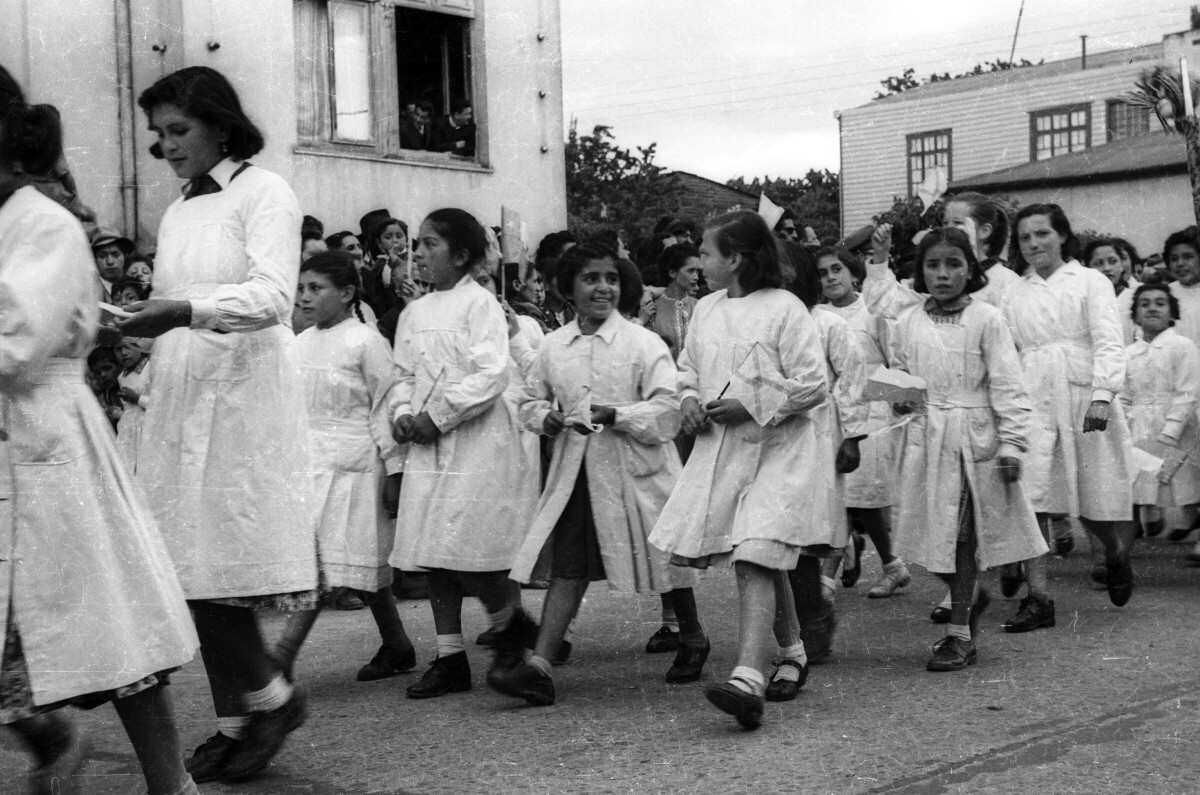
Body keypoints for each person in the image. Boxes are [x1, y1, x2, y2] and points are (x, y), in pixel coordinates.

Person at [0, 63, 200, 795]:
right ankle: (51, 737)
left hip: (45, 440)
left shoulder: (42, 223)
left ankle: (169, 782)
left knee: (111, 626)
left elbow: (18, 343)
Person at [119, 66, 316, 783]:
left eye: (180, 130)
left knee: (216, 569)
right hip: (182, 394)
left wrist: (179, 312)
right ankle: (245, 716)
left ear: (220, 125)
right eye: (159, 134)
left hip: (242, 400)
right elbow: (176, 306)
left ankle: (266, 702)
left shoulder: (265, 192)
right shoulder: (175, 212)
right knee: (183, 568)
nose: (167, 146)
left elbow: (271, 297)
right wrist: (139, 342)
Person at [490, 244, 708, 705]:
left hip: (637, 473)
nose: (602, 287)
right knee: (569, 566)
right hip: (579, 474)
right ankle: (540, 666)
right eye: (590, 278)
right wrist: (544, 418)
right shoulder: (553, 346)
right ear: (566, 287)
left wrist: (616, 415)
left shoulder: (641, 343)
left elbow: (667, 410)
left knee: (664, 558)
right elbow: (528, 400)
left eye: (610, 278)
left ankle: (692, 636)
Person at [649, 210, 828, 729]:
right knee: (760, 555)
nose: (699, 262)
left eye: (706, 252)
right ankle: (792, 652)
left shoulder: (785, 308)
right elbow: (689, 369)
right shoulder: (704, 309)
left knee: (755, 555)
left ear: (737, 258)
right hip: (724, 450)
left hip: (780, 450)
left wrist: (750, 404)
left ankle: (747, 678)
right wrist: (686, 399)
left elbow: (814, 384)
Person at [389, 208, 538, 699]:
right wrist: (404, 413)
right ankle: (450, 655)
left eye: (431, 244)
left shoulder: (480, 305)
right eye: (418, 244)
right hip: (430, 445)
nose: (419, 254)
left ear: (462, 255)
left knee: (469, 549)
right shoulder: (413, 312)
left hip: (475, 441)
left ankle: (510, 629)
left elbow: (492, 374)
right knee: (433, 551)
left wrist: (441, 414)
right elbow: (402, 375)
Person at [888, 228, 1047, 670]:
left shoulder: (987, 319)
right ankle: (970, 593)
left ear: (971, 269)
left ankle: (958, 634)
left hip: (973, 440)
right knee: (924, 535)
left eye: (954, 264)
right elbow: (902, 374)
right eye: (933, 265)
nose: (943, 274)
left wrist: (1013, 442)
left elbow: (1008, 384)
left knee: (960, 538)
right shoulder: (908, 321)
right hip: (927, 438)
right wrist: (901, 396)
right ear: (920, 271)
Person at [272, 250, 418, 681]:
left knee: (327, 563)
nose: (304, 297)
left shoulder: (366, 340)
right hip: (310, 465)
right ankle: (397, 644)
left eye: (316, 289)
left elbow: (388, 401)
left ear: (347, 293)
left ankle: (280, 659)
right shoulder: (298, 344)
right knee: (350, 563)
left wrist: (395, 468)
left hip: (355, 465)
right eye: (301, 289)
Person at [999, 204, 1136, 607]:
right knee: (1034, 491)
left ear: (1061, 235)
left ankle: (1115, 553)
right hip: (1033, 395)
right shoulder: (1014, 291)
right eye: (1024, 237)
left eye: (1042, 234)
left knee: (1096, 495)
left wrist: (1102, 396)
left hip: (1082, 394)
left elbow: (1109, 341)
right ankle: (1037, 592)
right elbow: (1007, 352)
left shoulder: (1090, 280)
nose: (1033, 244)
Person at [815, 245, 911, 600]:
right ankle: (892, 566)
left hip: (872, 413)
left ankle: (827, 579)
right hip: (831, 414)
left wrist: (899, 397)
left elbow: (898, 362)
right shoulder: (817, 316)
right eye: (823, 273)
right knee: (843, 497)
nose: (830, 278)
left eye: (836, 269)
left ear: (853, 272)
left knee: (865, 498)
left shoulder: (872, 312)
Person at [1119, 279, 1200, 564]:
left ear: (1172, 312)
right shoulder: (1129, 354)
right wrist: (1125, 426)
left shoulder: (1182, 346)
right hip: (1141, 427)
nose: (1152, 308)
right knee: (1142, 484)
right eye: (1145, 304)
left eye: (1160, 303)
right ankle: (1121, 553)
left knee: (1187, 485)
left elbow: (1187, 391)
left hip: (1178, 428)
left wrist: (1172, 428)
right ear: (1135, 315)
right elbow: (1125, 396)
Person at [1086, 237, 1139, 345]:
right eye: (1099, 263)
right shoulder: (1083, 301)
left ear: (1121, 266)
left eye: (1113, 261)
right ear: (1087, 268)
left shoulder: (1136, 299)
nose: (1107, 268)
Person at [116, 336, 153, 473]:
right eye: (118, 349)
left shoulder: (150, 369)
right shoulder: (121, 377)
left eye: (128, 347)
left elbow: (162, 405)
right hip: (127, 433)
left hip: (147, 431)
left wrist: (137, 398)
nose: (124, 353)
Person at [91, 226, 135, 302]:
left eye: (115, 254)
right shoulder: (91, 291)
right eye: (102, 256)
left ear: (124, 256)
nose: (110, 262)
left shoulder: (135, 285)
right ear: (94, 260)